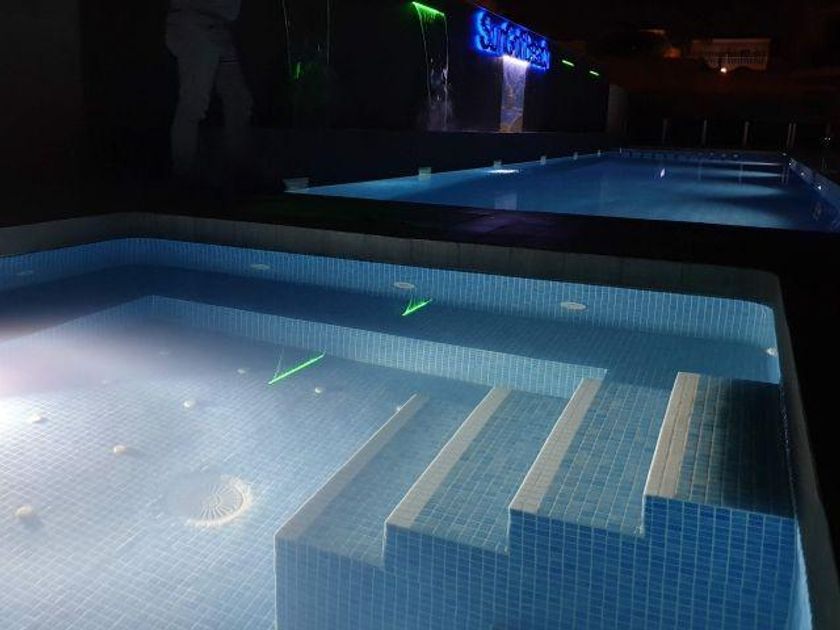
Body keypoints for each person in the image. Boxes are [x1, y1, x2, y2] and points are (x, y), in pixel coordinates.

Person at [166, 0, 253, 183]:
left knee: (238, 100)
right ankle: (183, 175)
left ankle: (239, 169)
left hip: (217, 26)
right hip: (195, 23)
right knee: (194, 102)